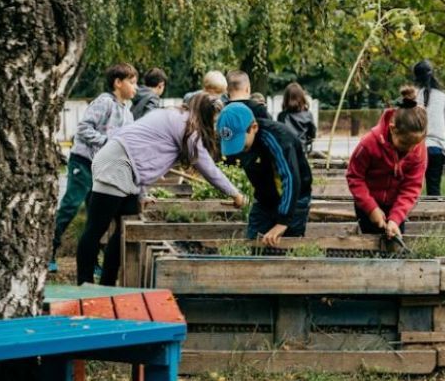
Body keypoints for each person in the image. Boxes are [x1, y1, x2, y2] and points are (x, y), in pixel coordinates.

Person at [75, 93, 246, 285]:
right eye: (214, 120)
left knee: (125, 228)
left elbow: (145, 155)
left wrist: (142, 194)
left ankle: (107, 283)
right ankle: (84, 283)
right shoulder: (187, 128)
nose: (214, 126)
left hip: (124, 163)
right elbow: (208, 168)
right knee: (96, 228)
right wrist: (235, 193)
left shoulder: (174, 116)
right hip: (116, 164)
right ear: (205, 114)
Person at [49, 63, 137, 273]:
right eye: (132, 82)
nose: (136, 87)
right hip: (84, 162)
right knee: (71, 204)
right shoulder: (104, 102)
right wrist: (107, 142)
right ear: (118, 83)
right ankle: (48, 251)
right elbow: (83, 129)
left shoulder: (128, 112)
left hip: (103, 168)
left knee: (95, 215)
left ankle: (92, 260)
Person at [216, 102, 312, 245]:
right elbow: (225, 162)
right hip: (264, 200)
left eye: (241, 144)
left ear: (253, 128)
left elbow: (291, 178)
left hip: (294, 199)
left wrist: (283, 222)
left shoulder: (278, 139)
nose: (238, 150)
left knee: (287, 248)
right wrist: (233, 192)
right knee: (253, 242)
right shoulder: (236, 138)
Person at [346, 86, 428, 239]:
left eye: (414, 144)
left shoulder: (418, 151)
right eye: (405, 143)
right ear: (392, 129)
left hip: (397, 205)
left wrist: (396, 218)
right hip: (367, 202)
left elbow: (411, 187)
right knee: (369, 243)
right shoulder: (369, 143)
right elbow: (354, 177)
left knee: (393, 240)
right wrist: (371, 209)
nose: (410, 149)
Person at [412, 60, 445, 196]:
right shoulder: (443, 97)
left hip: (417, 148)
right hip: (437, 149)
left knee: (412, 188)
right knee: (434, 189)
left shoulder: (414, 97)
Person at [277, 82, 317, 154]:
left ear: (286, 98)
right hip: (302, 150)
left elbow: (279, 135)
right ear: (302, 97)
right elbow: (312, 134)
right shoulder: (308, 115)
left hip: (287, 150)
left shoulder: (282, 116)